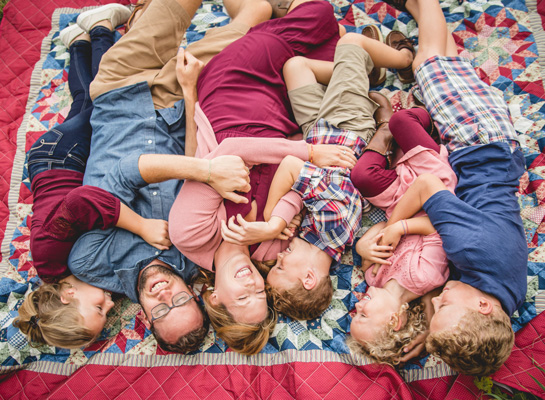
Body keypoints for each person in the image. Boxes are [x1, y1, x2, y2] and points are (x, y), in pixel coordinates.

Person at [65, 0, 267, 354]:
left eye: (160, 310)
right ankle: (143, 17)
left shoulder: (92, 264)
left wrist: (205, 173)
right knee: (254, 20)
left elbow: (124, 174)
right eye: (179, 301)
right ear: (194, 294)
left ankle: (139, 20)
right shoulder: (194, 253)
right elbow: (192, 162)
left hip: (120, 93)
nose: (164, 295)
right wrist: (190, 92)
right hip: (174, 101)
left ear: (145, 317)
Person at [169, 0, 356, 354]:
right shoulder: (270, 247)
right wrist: (275, 222)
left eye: (243, 296)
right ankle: (262, 17)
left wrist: (311, 154)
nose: (253, 282)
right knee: (342, 49)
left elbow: (230, 151)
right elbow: (300, 193)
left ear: (214, 297)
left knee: (319, 15)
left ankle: (261, 11)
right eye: (260, 293)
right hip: (282, 115)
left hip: (232, 94)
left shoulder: (190, 235)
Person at [374, 0, 527, 376]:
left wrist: (434, 326)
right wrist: (391, 225)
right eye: (446, 306)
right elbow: (426, 186)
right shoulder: (473, 248)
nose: (439, 298)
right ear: (483, 308)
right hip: (475, 138)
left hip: (499, 149)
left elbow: (456, 298)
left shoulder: (507, 298)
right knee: (425, 65)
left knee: (447, 65)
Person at [219, 29, 415, 321]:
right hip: (346, 126)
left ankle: (366, 72)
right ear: (309, 278)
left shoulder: (320, 238)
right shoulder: (332, 225)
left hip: (317, 133)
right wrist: (272, 220)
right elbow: (289, 165)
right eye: (282, 267)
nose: (279, 257)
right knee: (350, 42)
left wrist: (291, 217)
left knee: (295, 67)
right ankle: (403, 59)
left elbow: (302, 189)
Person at [14, 5, 136, 349]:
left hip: (61, 158)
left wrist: (138, 224)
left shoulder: (52, 256)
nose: (110, 303)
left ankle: (100, 29)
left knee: (105, 97)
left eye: (99, 307)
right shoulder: (65, 274)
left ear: (68, 295)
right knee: (85, 100)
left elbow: (79, 200)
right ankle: (77, 41)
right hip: (54, 161)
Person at [347, 99, 457, 364]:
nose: (357, 306)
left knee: (362, 177)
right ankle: (420, 125)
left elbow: (378, 230)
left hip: (397, 199)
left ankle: (392, 135)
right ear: (396, 320)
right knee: (402, 122)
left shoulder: (374, 277)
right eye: (363, 314)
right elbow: (441, 226)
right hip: (432, 192)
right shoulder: (426, 276)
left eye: (354, 313)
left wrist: (363, 246)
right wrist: (401, 227)